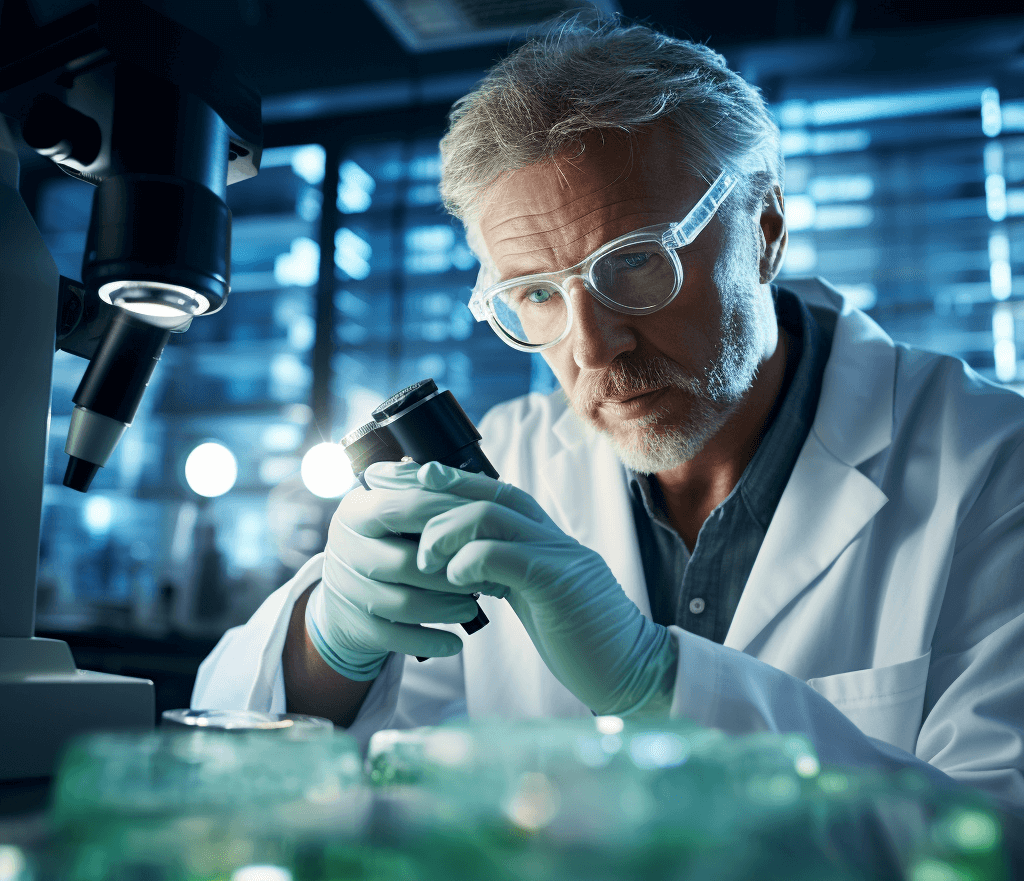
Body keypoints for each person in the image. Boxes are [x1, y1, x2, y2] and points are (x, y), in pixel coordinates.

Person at [193, 20, 1024, 808]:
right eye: (536, 295)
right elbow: (243, 757)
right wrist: (331, 643)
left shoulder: (994, 465)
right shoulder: (509, 466)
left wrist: (657, 684)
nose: (592, 348)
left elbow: (1001, 861)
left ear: (765, 230)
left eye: (635, 263)